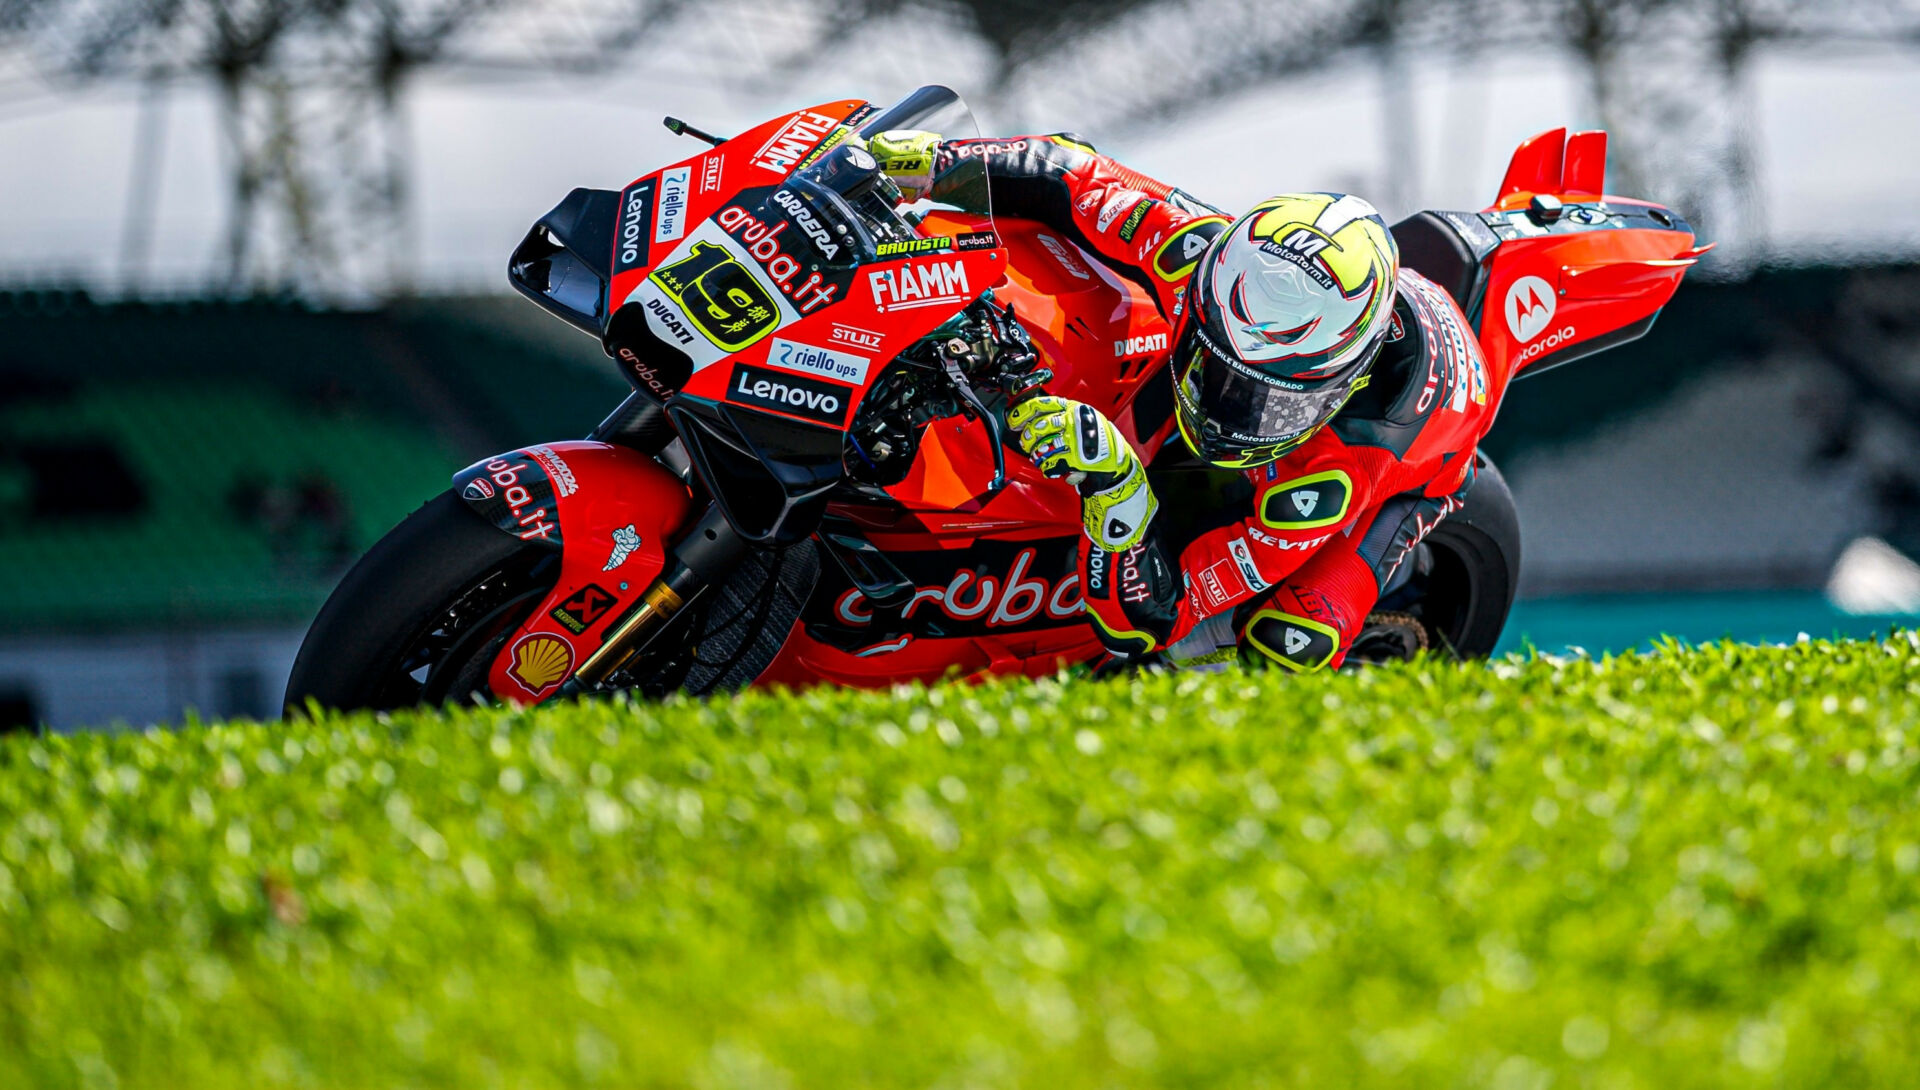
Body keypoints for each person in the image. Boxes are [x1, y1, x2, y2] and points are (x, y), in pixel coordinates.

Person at [863, 129, 1506, 672]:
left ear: (1344, 385)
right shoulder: (1198, 251)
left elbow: (1157, 618)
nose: (1227, 412)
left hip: (1423, 473)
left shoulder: (1337, 473)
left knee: (1289, 642)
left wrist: (1118, 492)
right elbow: (1070, 172)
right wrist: (939, 160)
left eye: (1267, 402)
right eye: (1216, 366)